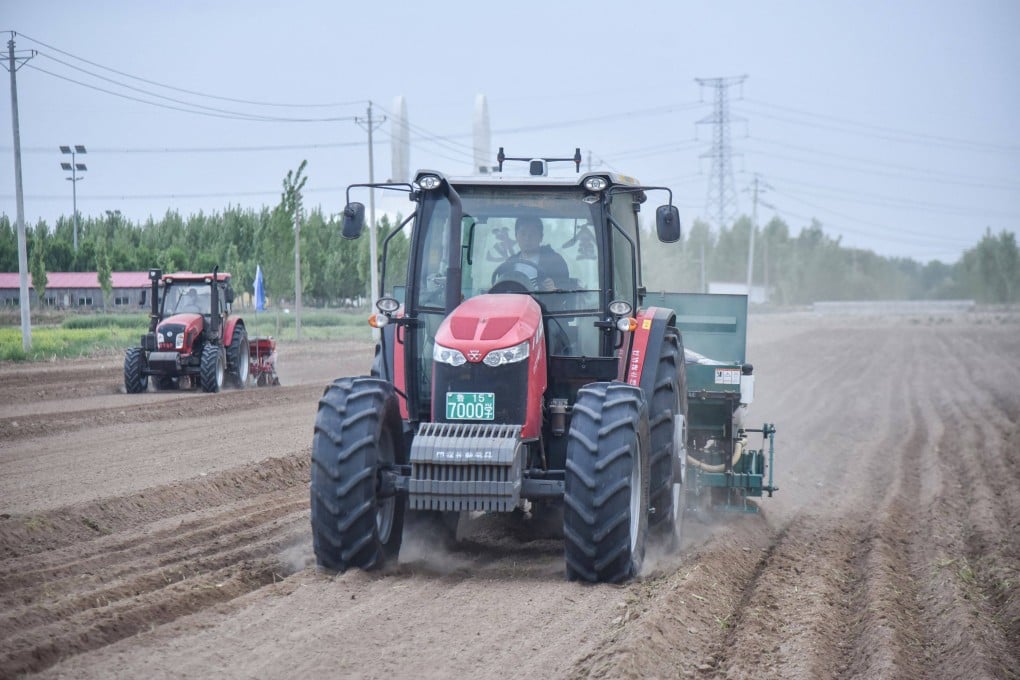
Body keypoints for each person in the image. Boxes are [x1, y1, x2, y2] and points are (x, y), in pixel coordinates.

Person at [492, 216, 571, 291]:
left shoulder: (556, 262)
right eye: (523, 233)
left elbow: (565, 291)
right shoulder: (509, 264)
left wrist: (554, 289)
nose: (527, 238)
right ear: (516, 236)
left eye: (533, 233)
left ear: (541, 237)